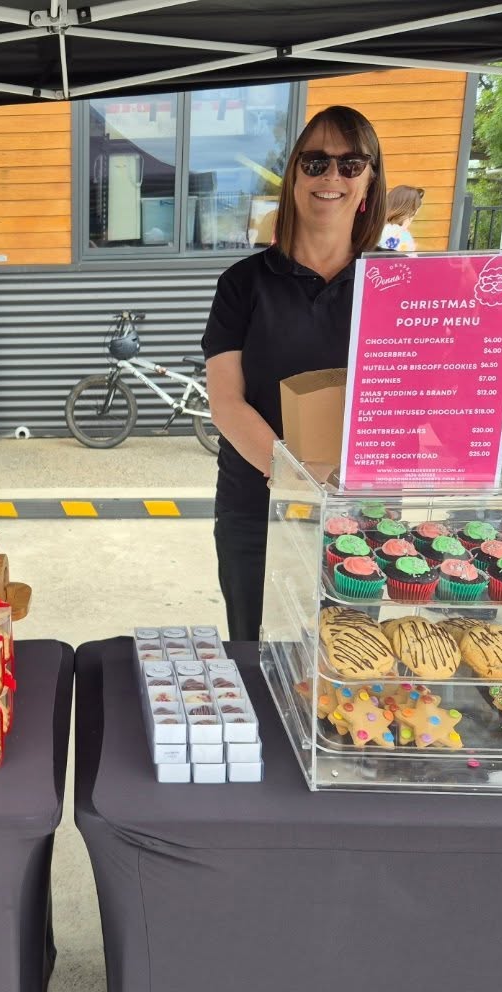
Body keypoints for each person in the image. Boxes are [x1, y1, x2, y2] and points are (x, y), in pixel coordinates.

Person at [202, 106, 387, 641]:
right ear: (294, 177)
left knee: (345, 661)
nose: (332, 176)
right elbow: (227, 402)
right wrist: (300, 483)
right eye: (316, 162)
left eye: (351, 164)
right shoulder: (243, 284)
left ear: (370, 182)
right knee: (255, 651)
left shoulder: (392, 288)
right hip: (256, 506)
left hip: (360, 512)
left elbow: (420, 400)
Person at [379, 184, 424, 252]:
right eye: (412, 216)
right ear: (407, 213)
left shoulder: (377, 229)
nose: (410, 221)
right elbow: (409, 261)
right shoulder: (402, 235)